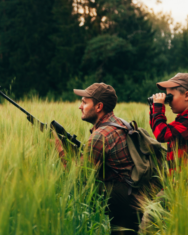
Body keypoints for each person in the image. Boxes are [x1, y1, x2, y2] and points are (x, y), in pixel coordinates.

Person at [53, 83, 142, 234]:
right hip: (136, 194)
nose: (80, 106)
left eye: (84, 102)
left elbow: (77, 178)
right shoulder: (121, 123)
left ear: (99, 106)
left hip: (124, 203)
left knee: (81, 188)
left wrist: (60, 150)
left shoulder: (100, 135)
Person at [149, 73, 188, 171]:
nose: (168, 101)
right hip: (181, 177)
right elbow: (157, 129)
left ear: (186, 95)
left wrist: (158, 108)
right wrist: (154, 108)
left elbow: (162, 134)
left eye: (170, 97)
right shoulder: (186, 118)